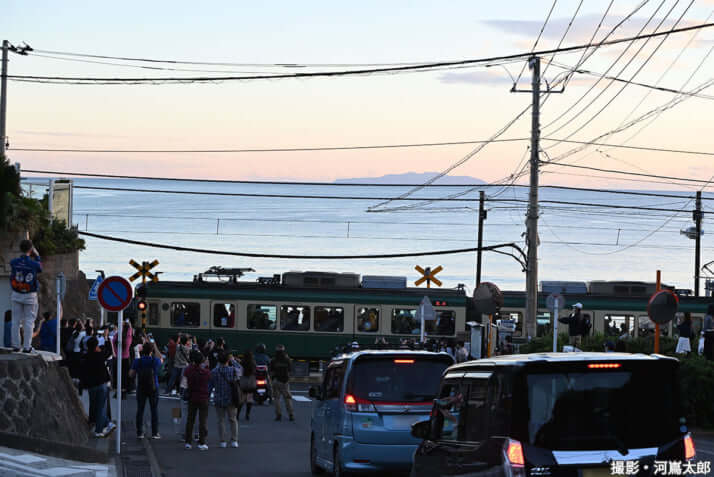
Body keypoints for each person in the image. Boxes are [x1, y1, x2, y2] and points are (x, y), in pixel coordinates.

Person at [9, 239, 42, 353]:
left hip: (16, 293)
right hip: (30, 295)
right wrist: (37, 256)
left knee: (15, 320)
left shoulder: (14, 262)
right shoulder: (33, 264)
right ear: (31, 249)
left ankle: (16, 345)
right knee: (29, 321)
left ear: (20, 248)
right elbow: (40, 268)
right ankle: (27, 346)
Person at [83, 336, 116, 438]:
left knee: (95, 406)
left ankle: (102, 425)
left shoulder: (85, 356)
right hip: (102, 384)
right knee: (101, 407)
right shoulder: (100, 354)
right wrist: (107, 340)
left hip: (91, 386)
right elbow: (110, 352)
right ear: (96, 346)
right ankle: (101, 428)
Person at [129, 342, 162, 439]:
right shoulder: (155, 361)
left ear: (142, 350)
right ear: (152, 351)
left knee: (140, 410)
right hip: (153, 387)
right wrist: (155, 347)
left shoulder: (137, 361)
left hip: (141, 387)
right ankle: (155, 433)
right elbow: (161, 358)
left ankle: (140, 433)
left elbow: (131, 374)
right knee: (154, 410)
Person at [209, 351, 240, 448]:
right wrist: (233, 361)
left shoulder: (214, 371)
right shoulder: (233, 370)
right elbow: (241, 369)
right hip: (231, 398)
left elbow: (210, 385)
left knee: (221, 420)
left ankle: (222, 441)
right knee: (233, 419)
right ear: (228, 360)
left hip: (219, 398)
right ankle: (234, 440)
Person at [183, 350, 210, 450]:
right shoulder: (206, 372)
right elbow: (209, 379)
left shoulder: (188, 370)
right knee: (202, 420)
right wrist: (207, 366)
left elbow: (184, 381)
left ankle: (188, 441)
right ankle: (202, 442)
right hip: (203, 397)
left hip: (192, 396)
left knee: (190, 420)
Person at [269, 344, 294, 421]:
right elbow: (290, 370)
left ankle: (278, 414)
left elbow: (271, 371)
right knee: (287, 398)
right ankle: (291, 414)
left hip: (276, 380)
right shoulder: (287, 359)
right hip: (285, 382)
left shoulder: (273, 360)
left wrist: (272, 379)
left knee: (276, 398)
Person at [112, 318, 133, 393]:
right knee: (125, 375)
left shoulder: (117, 335)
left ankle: (117, 389)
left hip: (117, 357)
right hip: (125, 358)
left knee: (117, 375)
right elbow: (130, 328)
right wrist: (127, 323)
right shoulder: (128, 336)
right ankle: (124, 390)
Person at [238, 350, 256, 420]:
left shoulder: (242, 362)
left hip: (243, 382)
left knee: (241, 399)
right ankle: (247, 414)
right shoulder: (253, 363)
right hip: (251, 382)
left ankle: (237, 415)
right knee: (249, 399)